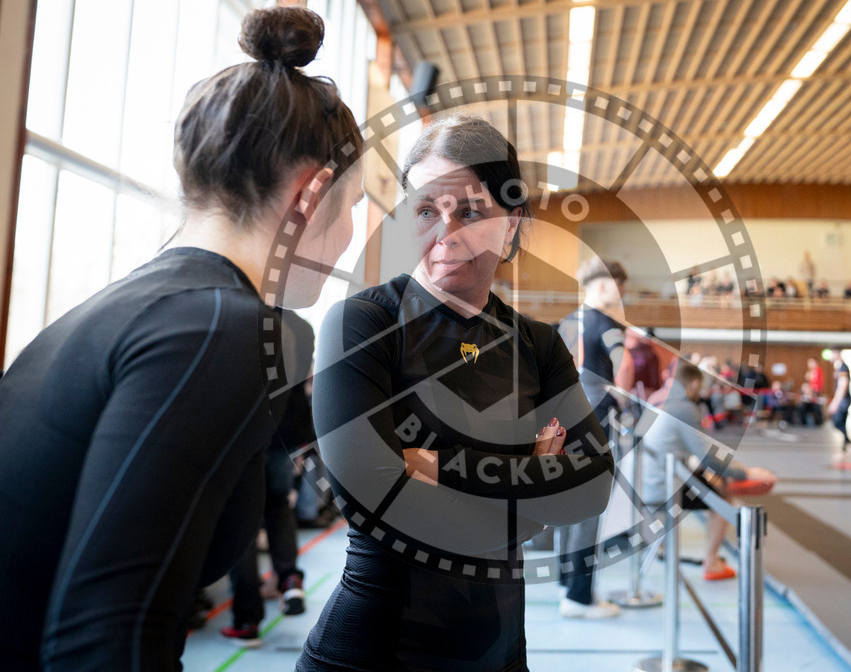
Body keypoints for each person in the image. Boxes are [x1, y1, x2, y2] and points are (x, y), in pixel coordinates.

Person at [0, 7, 363, 671]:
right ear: (311, 196)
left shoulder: (140, 304)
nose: (349, 238)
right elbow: (106, 645)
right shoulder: (220, 329)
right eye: (354, 208)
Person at [297, 115, 615, 671]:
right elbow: (374, 505)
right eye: (426, 211)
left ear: (511, 224)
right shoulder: (363, 325)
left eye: (470, 212)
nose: (445, 233)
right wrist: (531, 489)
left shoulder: (538, 346)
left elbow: (590, 489)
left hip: (500, 654)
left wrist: (433, 465)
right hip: (372, 653)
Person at [221, 310, 317, 646]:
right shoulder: (301, 327)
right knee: (278, 507)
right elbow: (301, 384)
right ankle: (290, 580)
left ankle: (247, 620)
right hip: (286, 433)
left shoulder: (242, 320)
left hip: (248, 435)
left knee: (241, 523)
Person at [640, 361, 776, 580]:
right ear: (694, 383)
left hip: (646, 480)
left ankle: (706, 554)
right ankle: (711, 562)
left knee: (715, 482)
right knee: (722, 498)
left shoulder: (660, 398)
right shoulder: (685, 407)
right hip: (662, 488)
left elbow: (692, 451)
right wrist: (747, 473)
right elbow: (708, 456)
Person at [554, 257, 634, 619]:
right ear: (604, 285)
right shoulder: (606, 323)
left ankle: (566, 582)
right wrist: (623, 399)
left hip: (566, 421)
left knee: (569, 504)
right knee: (589, 509)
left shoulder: (568, 322)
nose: (623, 296)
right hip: (595, 423)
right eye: (621, 289)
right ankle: (578, 597)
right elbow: (625, 364)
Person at [827, 351, 851, 450]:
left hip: (843, 400)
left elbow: (843, 386)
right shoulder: (839, 368)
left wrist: (835, 403)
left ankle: (849, 442)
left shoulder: (843, 368)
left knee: (837, 422)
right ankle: (846, 444)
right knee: (841, 423)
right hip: (842, 400)